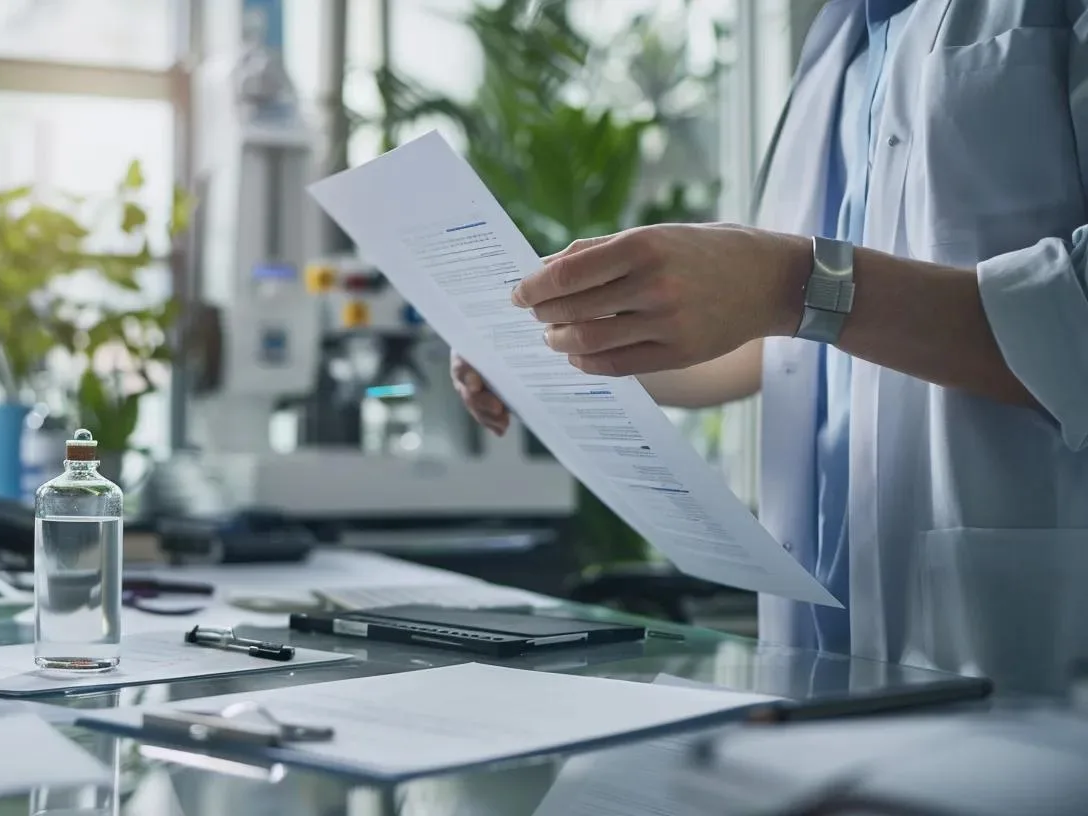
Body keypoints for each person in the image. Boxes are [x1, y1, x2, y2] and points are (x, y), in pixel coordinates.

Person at [452, 0, 1088, 696]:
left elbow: (813, 300)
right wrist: (559, 339)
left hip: (1027, 631)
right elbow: (789, 347)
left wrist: (791, 282)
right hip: (828, 645)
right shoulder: (839, 38)